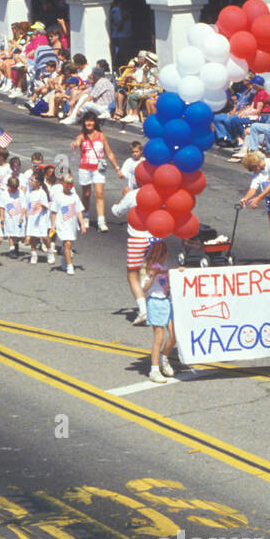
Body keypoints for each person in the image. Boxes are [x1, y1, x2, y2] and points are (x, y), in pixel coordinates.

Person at [112, 141, 152, 324]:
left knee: (132, 273)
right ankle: (154, 305)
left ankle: (143, 309)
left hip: (137, 237)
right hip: (155, 237)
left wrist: (122, 196)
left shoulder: (132, 195)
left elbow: (117, 212)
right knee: (152, 271)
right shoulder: (158, 192)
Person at [69, 113, 123, 231]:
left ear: (95, 123)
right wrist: (75, 144)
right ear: (83, 123)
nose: (89, 123)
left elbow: (109, 153)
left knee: (99, 194)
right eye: (87, 121)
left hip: (98, 170)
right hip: (84, 169)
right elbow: (77, 142)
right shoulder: (82, 136)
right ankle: (86, 216)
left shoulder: (101, 136)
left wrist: (117, 169)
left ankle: (101, 221)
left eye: (91, 121)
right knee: (86, 194)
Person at [143, 241, 177, 383]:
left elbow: (168, 286)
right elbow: (144, 288)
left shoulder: (164, 268)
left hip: (166, 302)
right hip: (155, 303)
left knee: (174, 335)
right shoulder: (150, 268)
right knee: (159, 337)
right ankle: (154, 370)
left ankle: (164, 358)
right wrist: (151, 276)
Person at [50, 173, 86, 275]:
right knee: (67, 244)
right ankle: (70, 266)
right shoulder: (58, 196)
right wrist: (52, 227)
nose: (69, 187)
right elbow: (54, 212)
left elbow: (79, 211)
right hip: (62, 225)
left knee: (68, 246)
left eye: (71, 185)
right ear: (62, 184)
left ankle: (64, 259)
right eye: (67, 184)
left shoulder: (74, 196)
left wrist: (82, 224)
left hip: (72, 225)